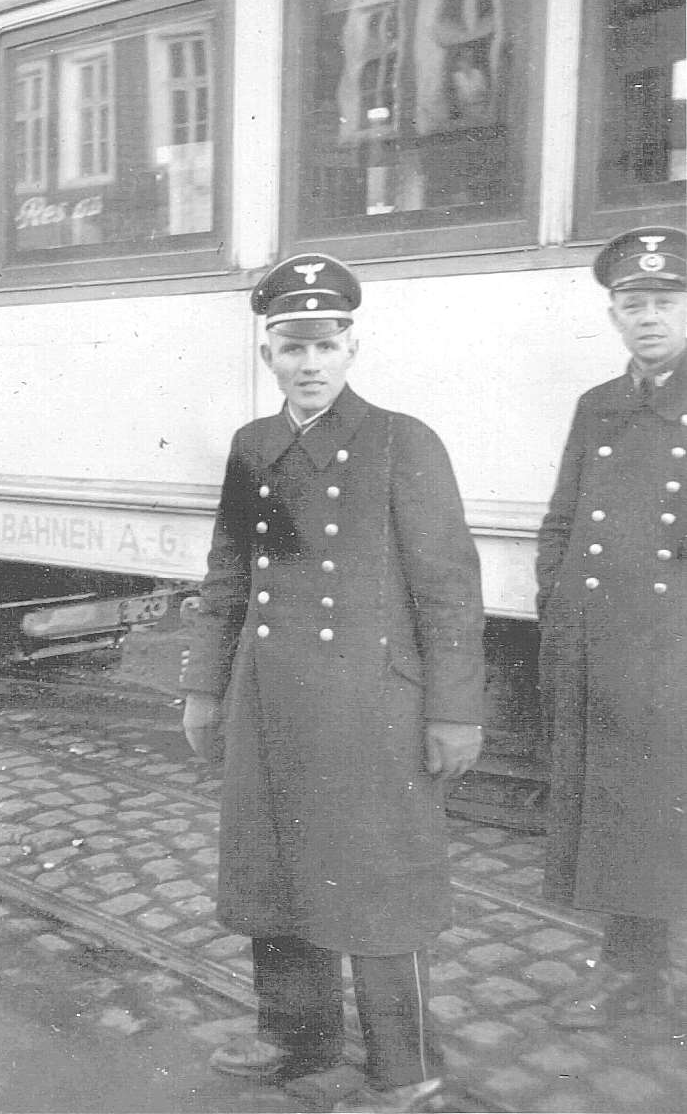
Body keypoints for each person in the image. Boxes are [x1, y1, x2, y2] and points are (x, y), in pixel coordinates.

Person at [179, 254, 486, 1112]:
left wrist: (455, 711)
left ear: (352, 346)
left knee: (377, 879)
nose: (308, 363)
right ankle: (294, 1035)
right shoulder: (253, 447)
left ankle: (405, 1066)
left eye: (325, 344)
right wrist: (204, 689)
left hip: (370, 706)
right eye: (289, 347)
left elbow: (449, 587)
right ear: (267, 354)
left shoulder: (401, 441)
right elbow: (228, 576)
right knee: (274, 866)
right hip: (268, 696)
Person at [537, 225, 685, 1030]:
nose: (648, 318)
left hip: (678, 653)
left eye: (663, 302)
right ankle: (634, 974)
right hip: (603, 649)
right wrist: (558, 611)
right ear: (613, 314)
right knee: (620, 817)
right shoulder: (598, 405)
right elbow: (561, 521)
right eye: (632, 305)